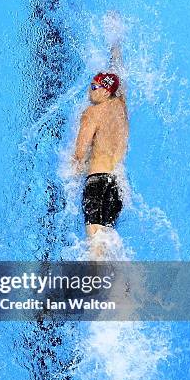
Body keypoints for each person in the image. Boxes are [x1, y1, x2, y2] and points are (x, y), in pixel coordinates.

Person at [73, 40, 128, 245]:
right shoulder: (122, 108)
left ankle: (95, 278)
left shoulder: (92, 113)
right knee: (107, 241)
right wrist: (116, 46)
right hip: (118, 186)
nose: (89, 91)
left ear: (105, 92)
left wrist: (72, 171)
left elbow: (79, 153)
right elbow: (120, 80)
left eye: (94, 86)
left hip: (96, 182)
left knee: (95, 244)